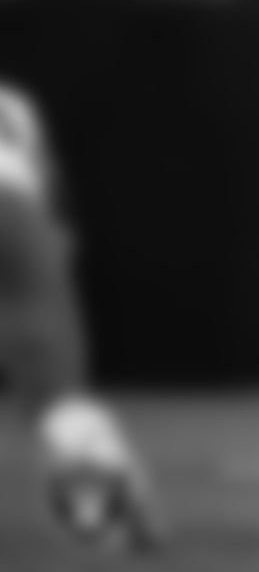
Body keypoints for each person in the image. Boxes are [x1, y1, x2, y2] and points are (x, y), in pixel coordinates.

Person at [0, 81, 157, 553]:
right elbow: (47, 176)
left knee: (49, 386)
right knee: (52, 384)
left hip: (20, 213)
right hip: (20, 212)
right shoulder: (14, 104)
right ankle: (106, 484)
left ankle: (104, 486)